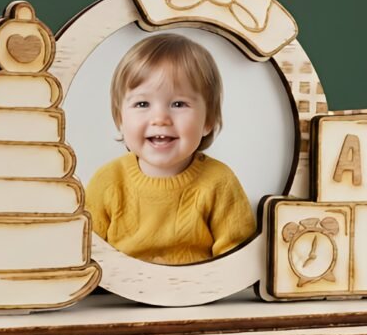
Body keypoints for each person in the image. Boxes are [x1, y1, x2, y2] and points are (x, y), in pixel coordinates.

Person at [85, 33, 256, 265]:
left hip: (199, 295)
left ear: (208, 120)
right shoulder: (108, 181)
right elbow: (85, 254)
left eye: (178, 104)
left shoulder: (219, 182)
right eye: (142, 104)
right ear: (120, 120)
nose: (160, 118)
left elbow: (237, 259)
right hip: (119, 298)